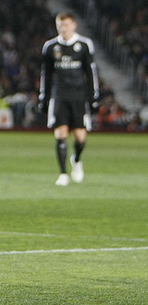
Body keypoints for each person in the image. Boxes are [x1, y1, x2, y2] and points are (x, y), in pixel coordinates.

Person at [38, 12, 99, 186]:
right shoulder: (50, 47)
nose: (63, 29)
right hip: (59, 96)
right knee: (61, 134)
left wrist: (94, 96)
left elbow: (90, 72)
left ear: (74, 26)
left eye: (66, 25)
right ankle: (63, 174)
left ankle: (77, 160)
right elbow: (46, 74)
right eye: (60, 26)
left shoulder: (84, 45)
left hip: (79, 97)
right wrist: (44, 96)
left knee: (80, 138)